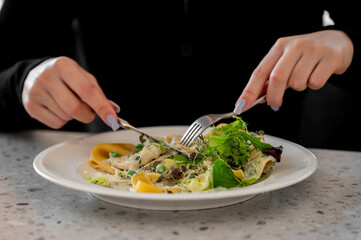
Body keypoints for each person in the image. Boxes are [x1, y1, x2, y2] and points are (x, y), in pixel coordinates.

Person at [0, 0, 360, 150]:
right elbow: (6, 68)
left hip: (279, 186)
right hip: (106, 188)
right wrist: (22, 81)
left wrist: (347, 44)